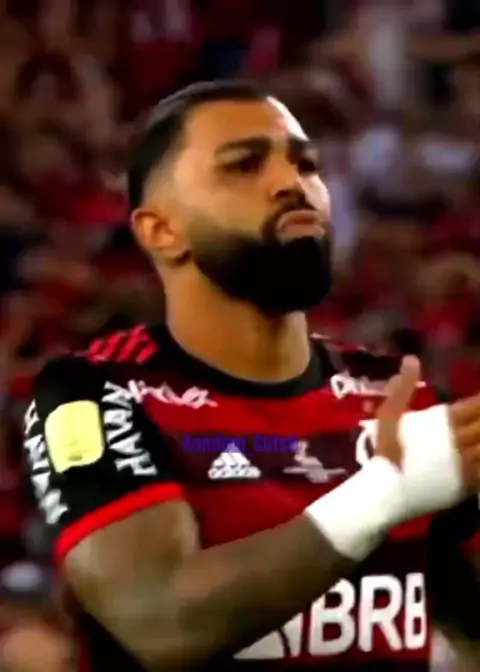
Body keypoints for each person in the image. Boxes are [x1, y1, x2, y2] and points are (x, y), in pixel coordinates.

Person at [22, 80, 480, 671]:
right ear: (162, 230)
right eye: (244, 165)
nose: (293, 182)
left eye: (306, 164)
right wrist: (386, 493)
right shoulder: (94, 393)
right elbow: (162, 623)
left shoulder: (396, 395)